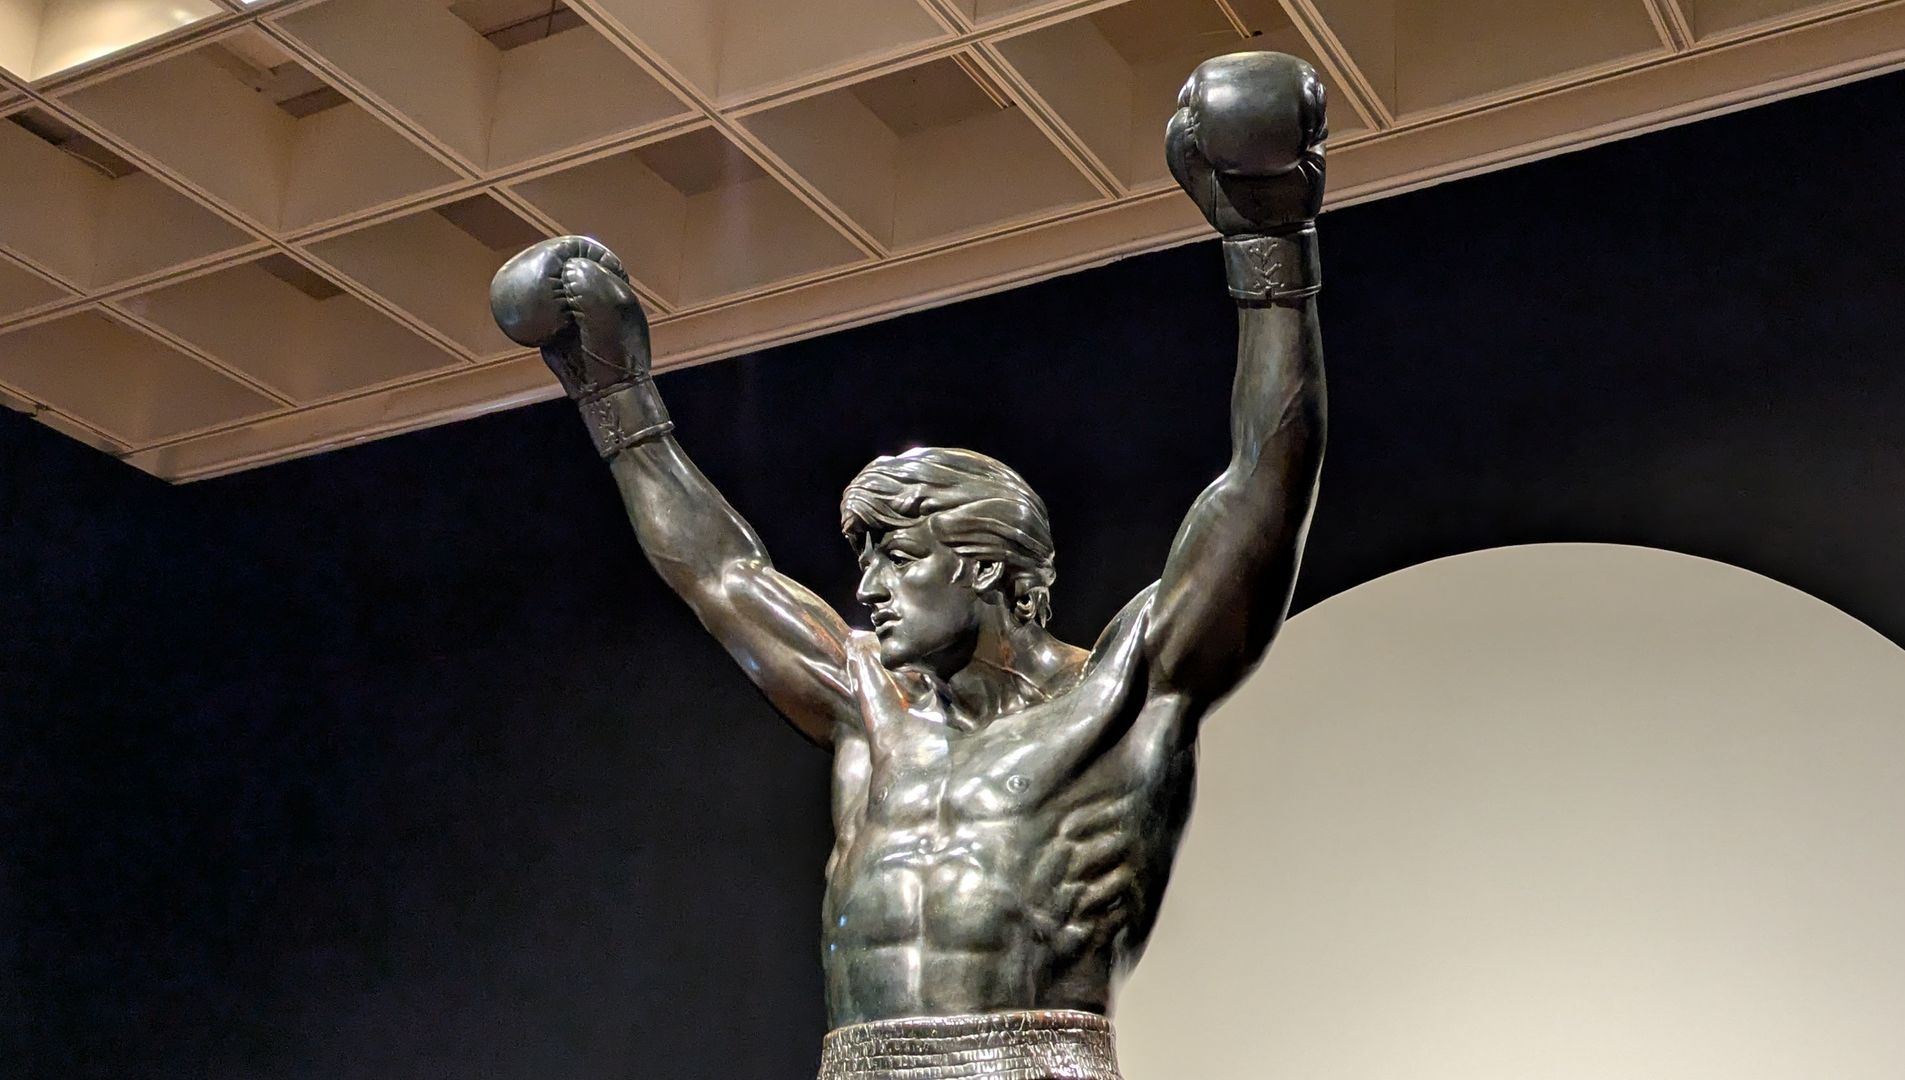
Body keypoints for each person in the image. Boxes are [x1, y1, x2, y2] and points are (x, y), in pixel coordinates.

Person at [490, 51, 1329, 1080]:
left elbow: (1263, 485)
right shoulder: (866, 701)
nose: (869, 589)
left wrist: (1269, 243)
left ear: (980, 566)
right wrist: (617, 401)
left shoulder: (1125, 689)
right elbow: (722, 574)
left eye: (896, 555)